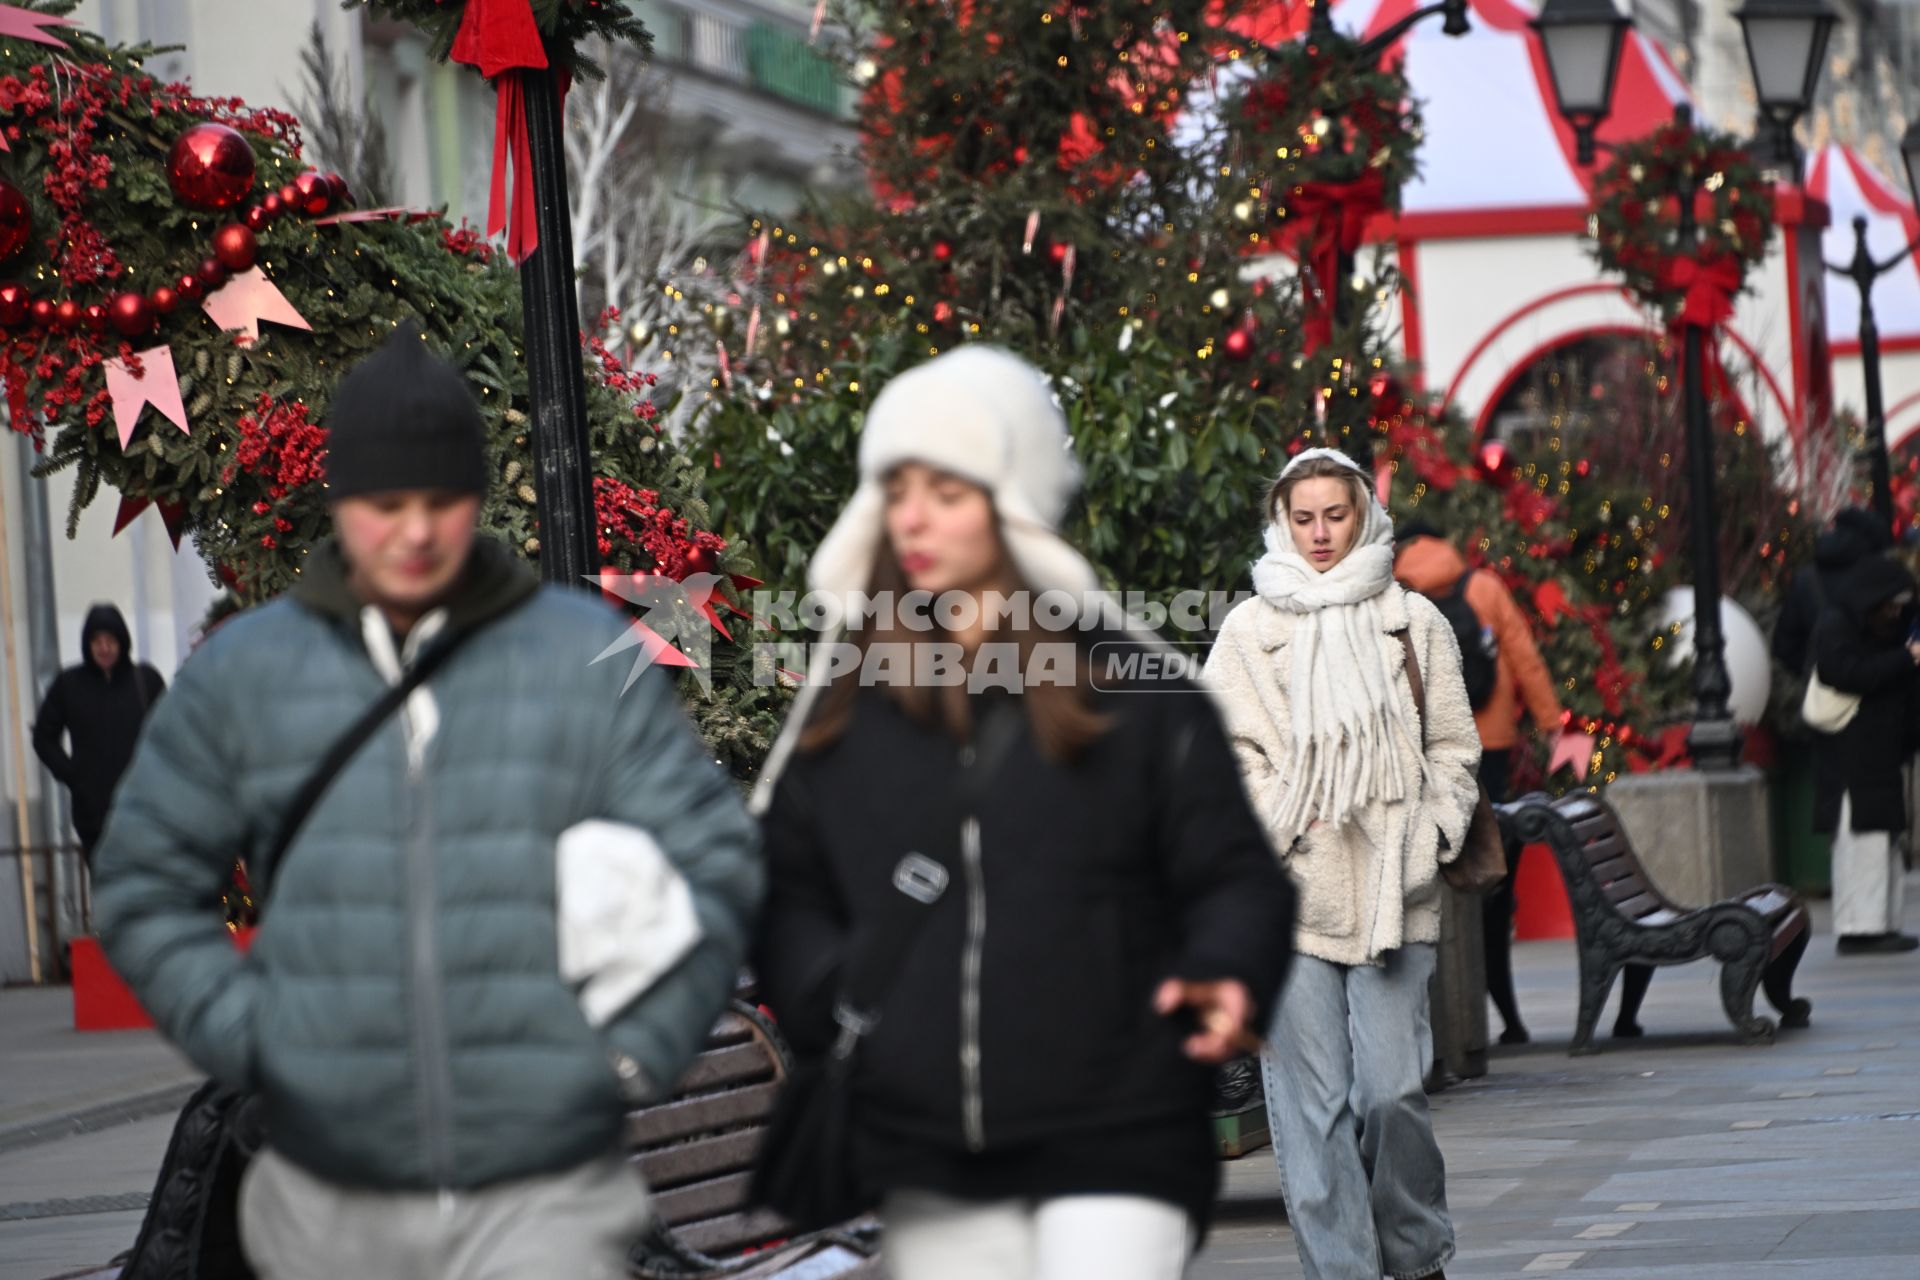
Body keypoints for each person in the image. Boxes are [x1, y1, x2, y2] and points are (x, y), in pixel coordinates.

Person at [93, 326, 763, 1280]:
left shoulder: (573, 656)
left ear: (477, 501)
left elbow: (713, 855)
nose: (414, 531)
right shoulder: (249, 673)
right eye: (385, 503)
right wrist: (256, 1041)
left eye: (441, 501)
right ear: (341, 505)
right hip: (329, 1192)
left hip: (546, 1185)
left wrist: (628, 1055)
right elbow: (143, 883)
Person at [751, 346, 1296, 1280]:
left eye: (948, 489)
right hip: (929, 1150)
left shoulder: (1135, 693)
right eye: (897, 489)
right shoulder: (846, 702)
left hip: (1118, 1128)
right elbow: (782, 886)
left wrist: (1225, 970)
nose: (913, 517)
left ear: (1011, 504)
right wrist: (831, 996)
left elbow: (1235, 877)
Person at [1206, 448, 1481, 1280]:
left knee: (1391, 1094)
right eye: (1304, 517)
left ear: (1362, 512)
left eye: (1335, 514)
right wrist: (1283, 821)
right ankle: (1346, 1271)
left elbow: (1455, 750)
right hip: (1291, 896)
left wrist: (1433, 831)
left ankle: (1418, 1255)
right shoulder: (1250, 631)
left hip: (1397, 890)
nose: (1320, 534)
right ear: (1281, 522)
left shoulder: (1412, 621)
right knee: (1310, 1110)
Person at [1394, 520, 1564, 1045]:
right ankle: (1496, 911)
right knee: (1490, 856)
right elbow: (1524, 658)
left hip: (1427, 742)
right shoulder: (1483, 585)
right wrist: (1551, 722)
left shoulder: (1396, 588)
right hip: (1488, 739)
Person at [1811, 553, 1920, 954]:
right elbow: (1845, 672)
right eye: (1890, 606)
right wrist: (1904, 660)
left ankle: (1880, 922)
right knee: (1861, 844)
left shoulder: (1871, 626)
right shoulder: (1839, 624)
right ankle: (1861, 927)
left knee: (1881, 844)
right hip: (1853, 756)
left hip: (1879, 753)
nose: (1895, 613)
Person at [32, 604, 167, 865]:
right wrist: (74, 775)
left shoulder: (145, 681)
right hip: (95, 816)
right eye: (97, 641)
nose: (104, 648)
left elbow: (171, 732)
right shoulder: (69, 686)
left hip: (145, 811)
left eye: (110, 640)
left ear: (122, 642)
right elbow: (43, 738)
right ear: (87, 644)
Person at [1774, 505, 1892, 676]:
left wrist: (1818, 672)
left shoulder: (1807, 579)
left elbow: (1784, 647)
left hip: (1822, 696)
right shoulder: (1879, 579)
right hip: (1875, 692)